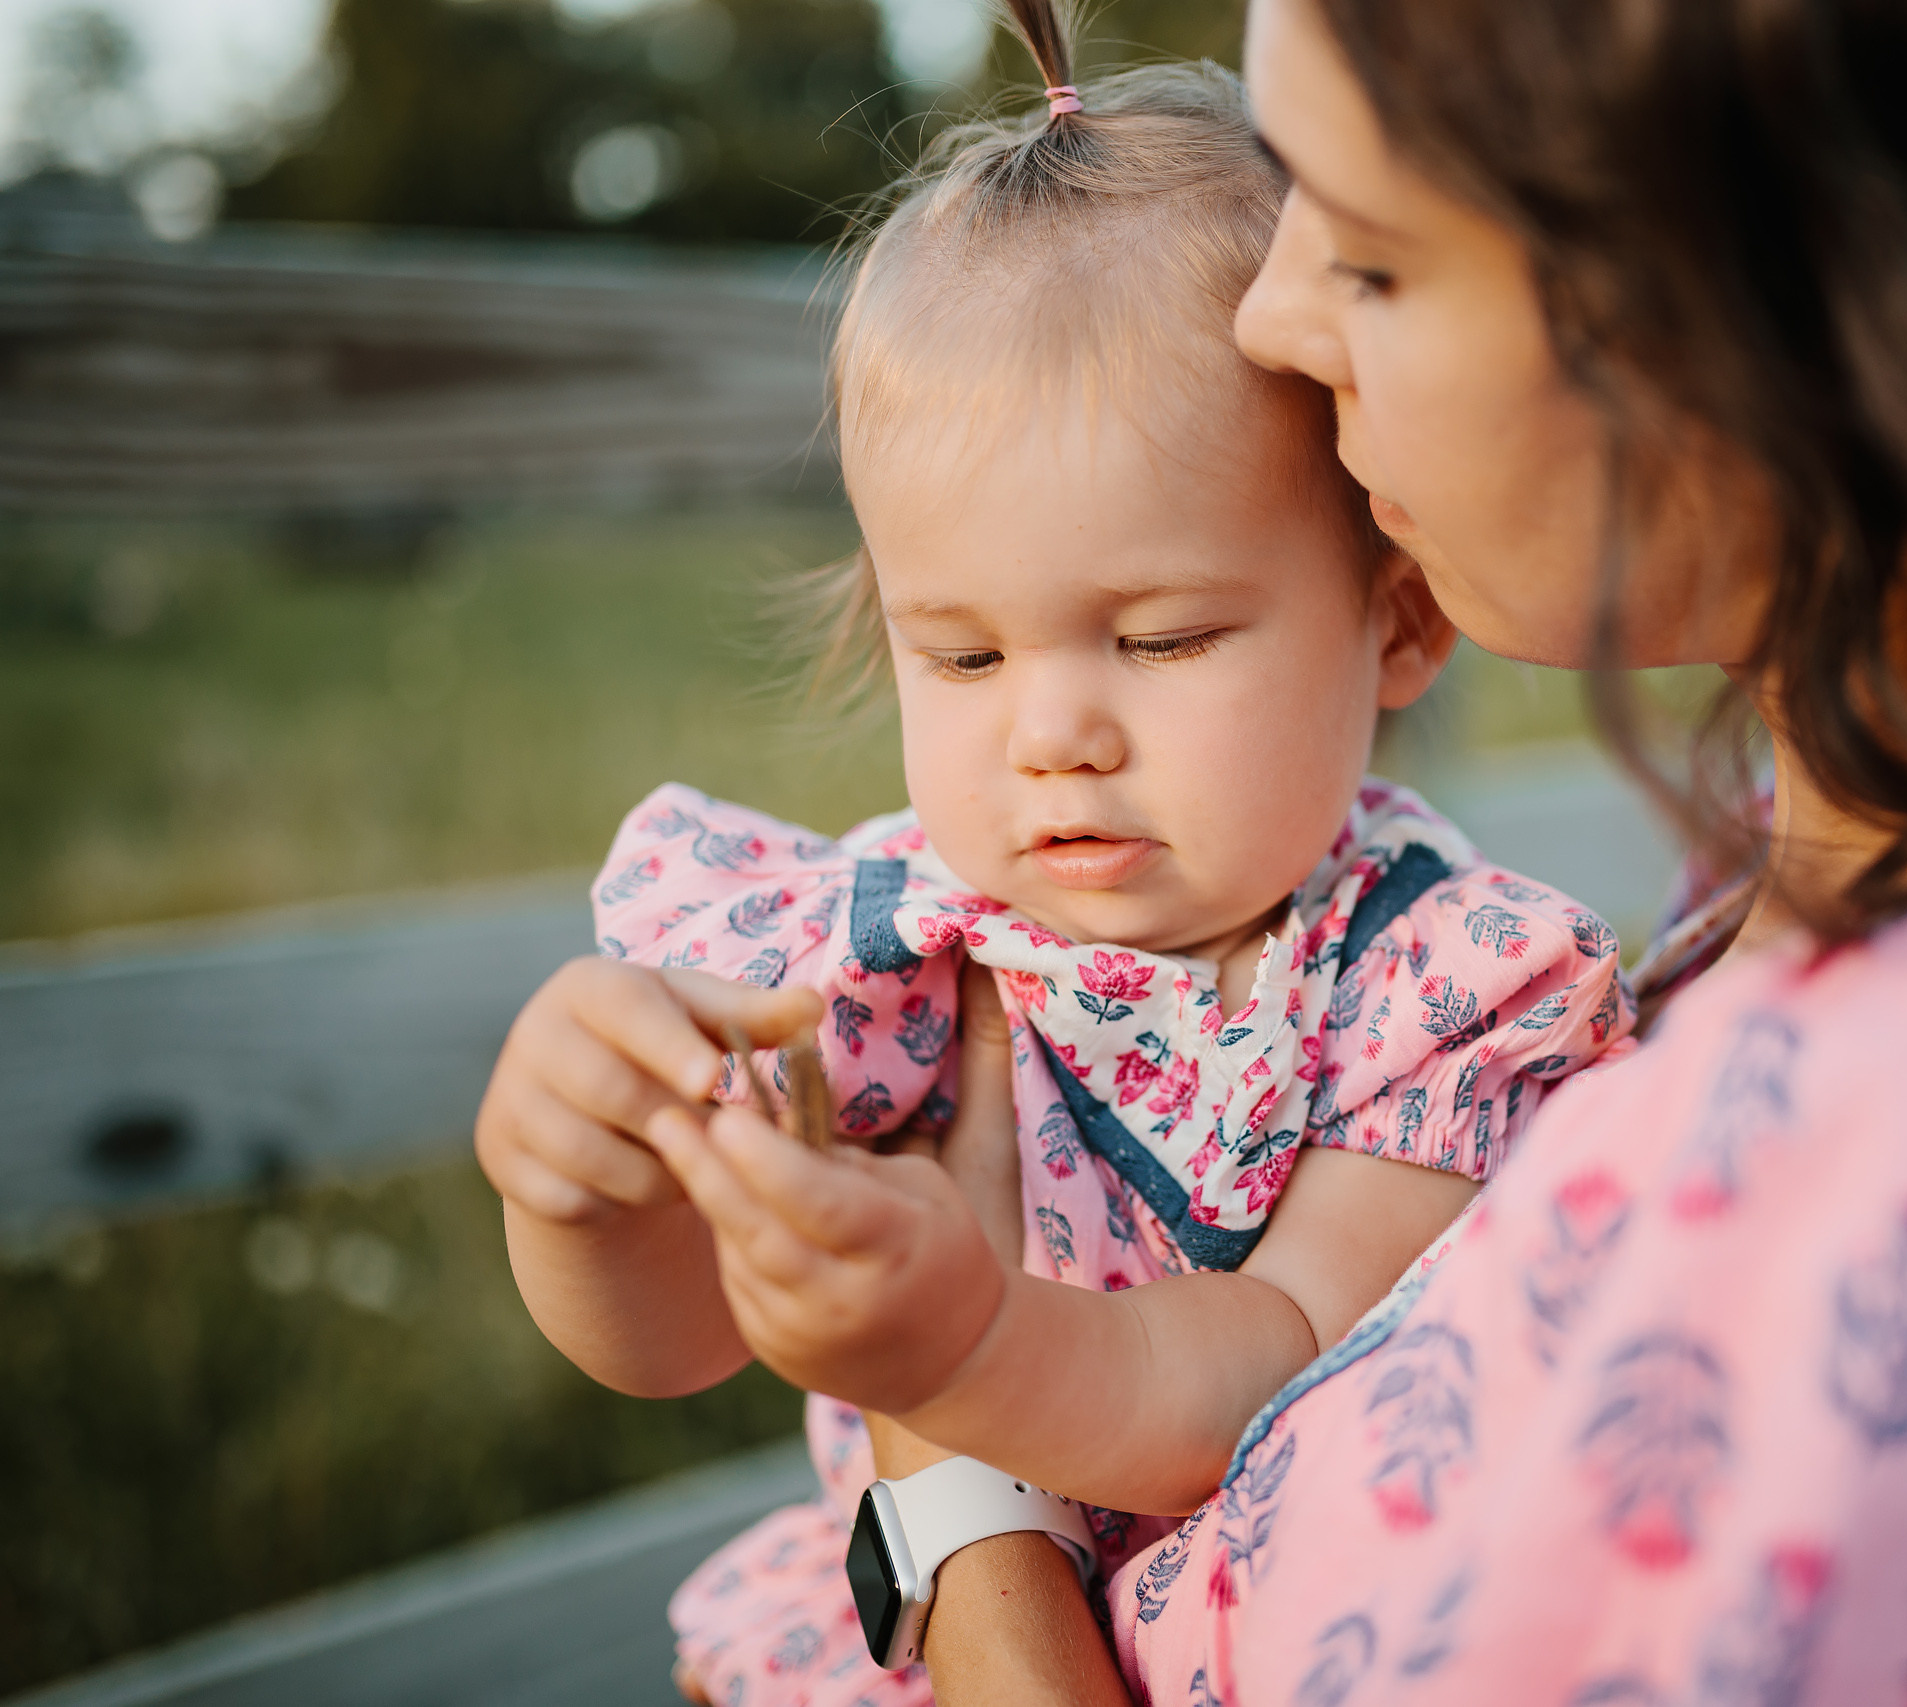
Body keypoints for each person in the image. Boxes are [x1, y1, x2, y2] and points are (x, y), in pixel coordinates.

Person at [622, 0, 1907, 1701]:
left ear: (1798, 304)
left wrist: (955, 1489)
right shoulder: (1865, 924)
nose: (1267, 312)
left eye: (1365, 253)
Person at [471, 8, 1634, 1702]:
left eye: (1160, 642)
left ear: (1396, 625)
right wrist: (584, 1191)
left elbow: (1274, 1360)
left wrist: (957, 1356)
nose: (1053, 734)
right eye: (961, 655)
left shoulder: (1424, 989)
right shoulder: (874, 954)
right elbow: (675, 1342)